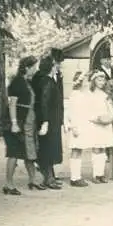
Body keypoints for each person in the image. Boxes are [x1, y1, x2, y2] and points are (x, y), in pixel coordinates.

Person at [1, 56, 46, 195]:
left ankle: (33, 180)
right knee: (13, 153)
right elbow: (12, 104)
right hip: (17, 122)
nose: (36, 69)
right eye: (34, 67)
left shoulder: (27, 81)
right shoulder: (17, 82)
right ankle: (8, 185)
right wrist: (14, 123)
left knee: (29, 151)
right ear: (27, 67)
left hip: (28, 122)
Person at [32, 48, 65, 185]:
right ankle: (48, 178)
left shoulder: (49, 79)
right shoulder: (46, 81)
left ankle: (50, 174)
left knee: (51, 146)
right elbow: (44, 102)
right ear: (52, 65)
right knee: (47, 147)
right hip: (48, 119)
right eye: (57, 64)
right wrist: (45, 121)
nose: (59, 66)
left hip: (53, 119)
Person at [88, 70, 113, 184]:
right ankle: (95, 174)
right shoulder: (90, 95)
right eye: (98, 80)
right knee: (96, 148)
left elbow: (110, 110)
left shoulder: (105, 95)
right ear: (94, 81)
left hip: (105, 124)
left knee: (103, 148)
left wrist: (109, 117)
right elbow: (88, 110)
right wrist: (96, 119)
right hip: (95, 124)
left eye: (102, 80)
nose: (101, 82)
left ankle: (101, 173)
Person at [66, 71, 92, 187]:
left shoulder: (81, 94)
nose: (86, 83)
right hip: (77, 125)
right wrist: (74, 127)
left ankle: (77, 176)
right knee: (76, 151)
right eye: (85, 81)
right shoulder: (75, 95)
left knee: (79, 150)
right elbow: (72, 112)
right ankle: (74, 177)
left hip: (81, 124)